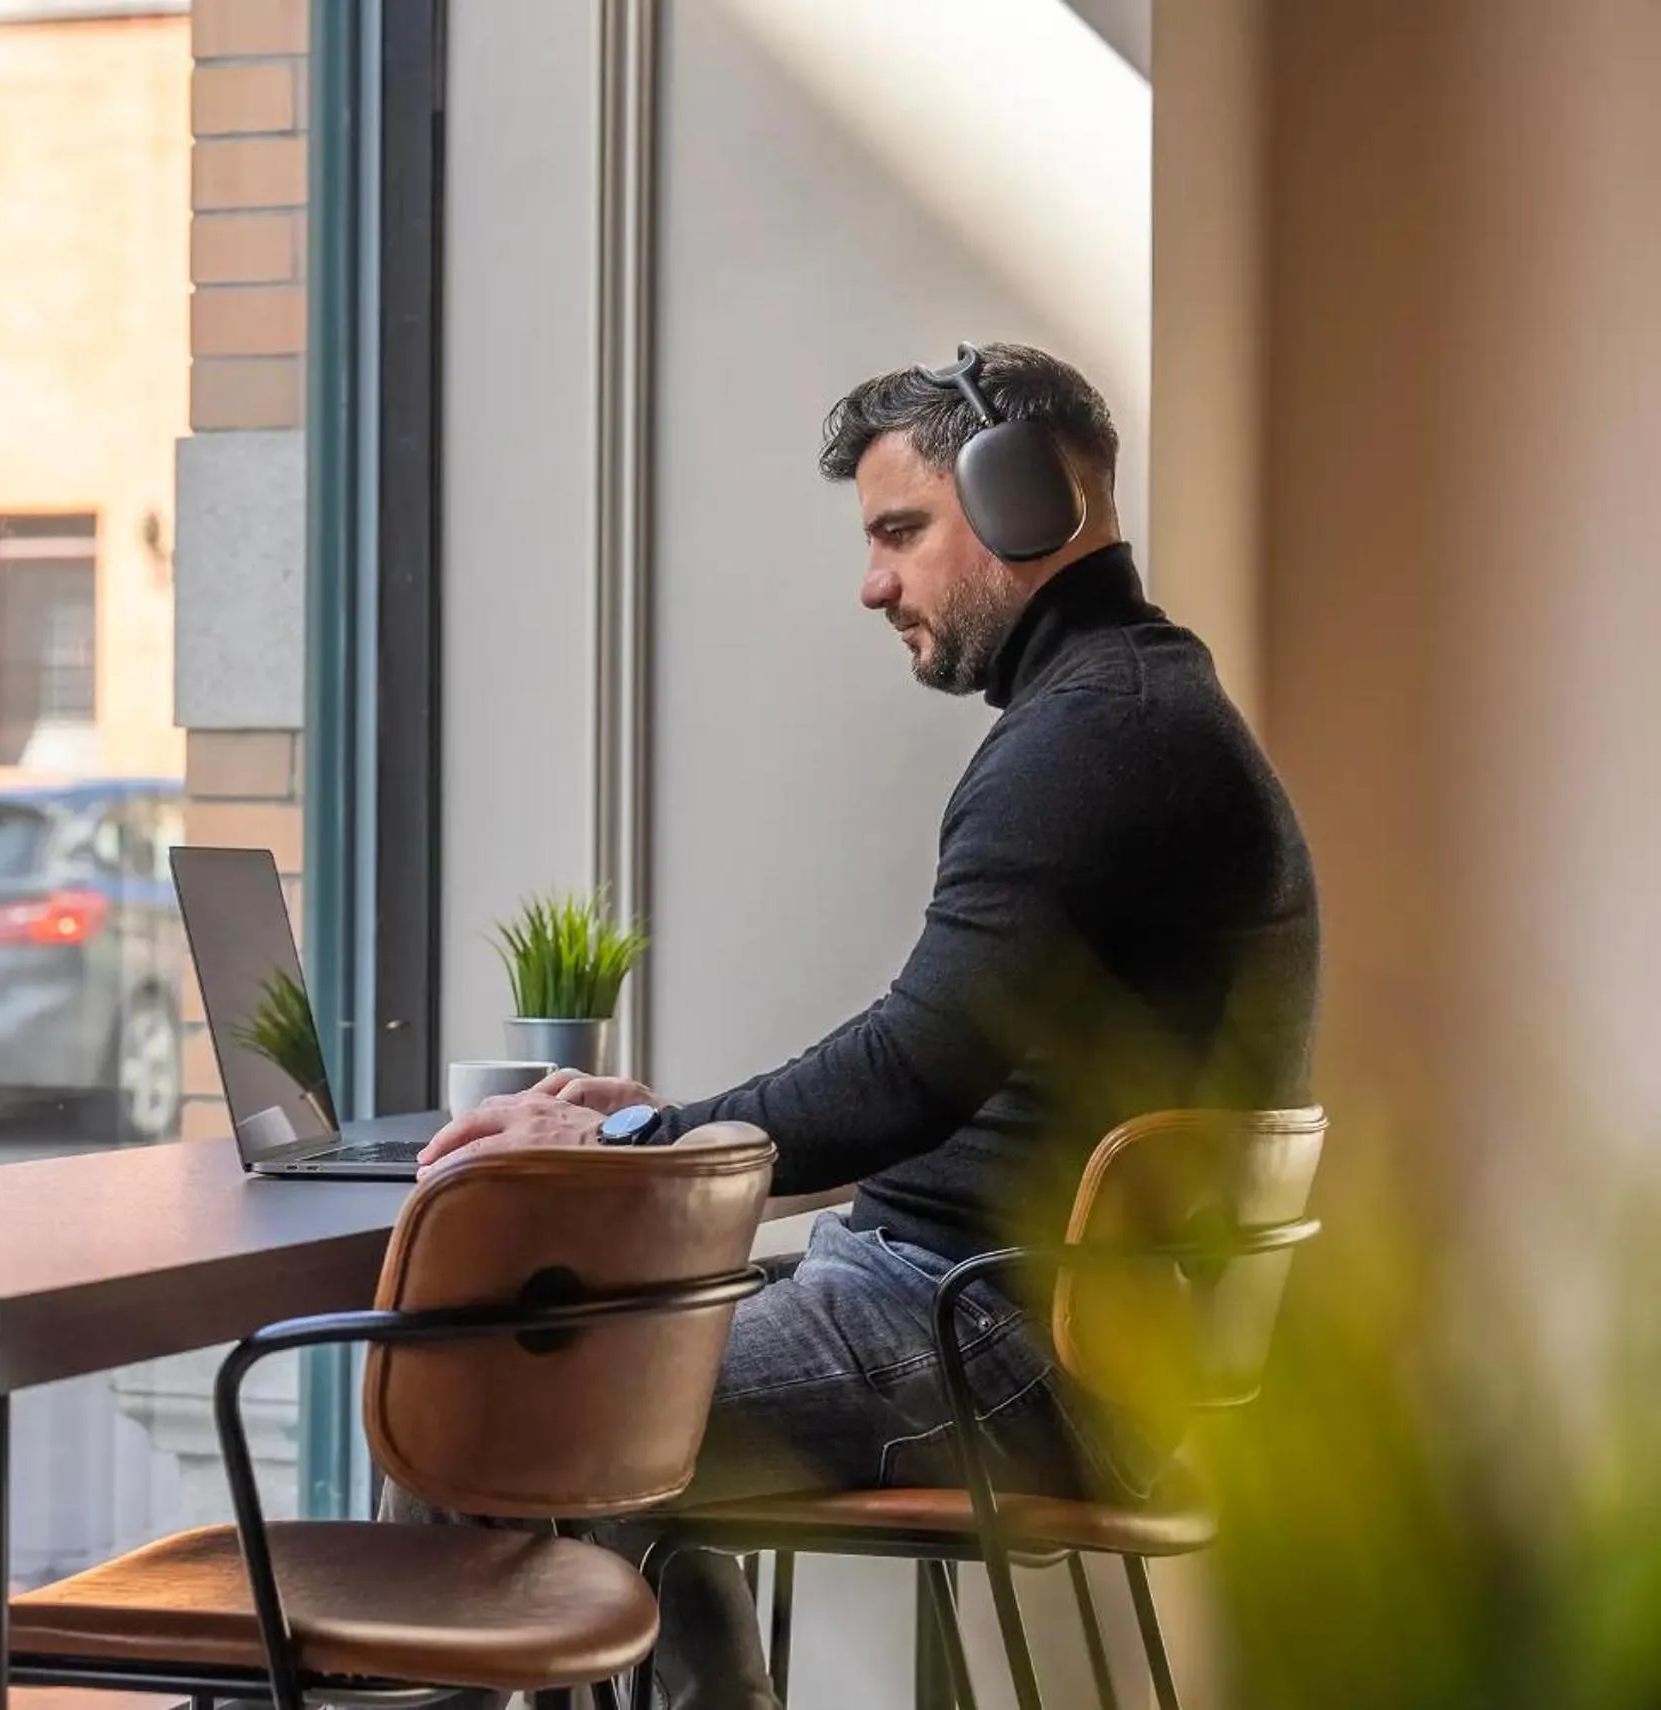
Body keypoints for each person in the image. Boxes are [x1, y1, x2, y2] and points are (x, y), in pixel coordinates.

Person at [398, 344, 1319, 1710]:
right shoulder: (1123, 715)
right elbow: (926, 1050)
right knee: (577, 1372)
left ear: (1024, 506)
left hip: (994, 1339)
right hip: (991, 1311)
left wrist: (645, 1138)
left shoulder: (1095, 743)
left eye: (901, 531)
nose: (873, 582)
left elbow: (911, 1067)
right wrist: (659, 1126)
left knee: (499, 1410)